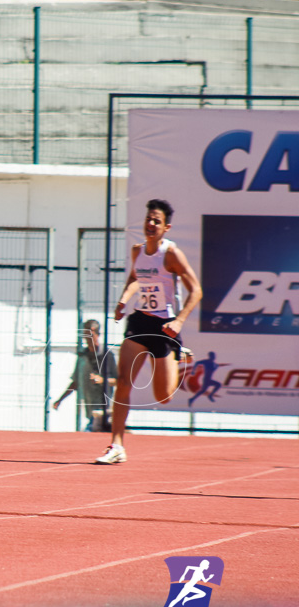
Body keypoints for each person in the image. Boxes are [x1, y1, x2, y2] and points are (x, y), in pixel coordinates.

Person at [97, 198, 202, 464]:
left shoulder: (171, 254)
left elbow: (197, 291)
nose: (151, 224)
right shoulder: (137, 251)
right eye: (148, 219)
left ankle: (179, 355)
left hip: (164, 327)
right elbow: (135, 279)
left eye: (157, 221)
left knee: (163, 396)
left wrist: (179, 322)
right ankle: (116, 445)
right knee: (123, 383)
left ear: (166, 227)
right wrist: (123, 300)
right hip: (140, 322)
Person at [53, 319, 117, 431]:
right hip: (89, 408)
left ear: (98, 334)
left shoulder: (107, 355)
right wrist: (60, 400)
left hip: (104, 408)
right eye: (85, 336)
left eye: (90, 335)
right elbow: (76, 382)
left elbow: (118, 381)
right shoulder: (83, 356)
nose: (87, 339)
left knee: (91, 432)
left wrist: (102, 380)